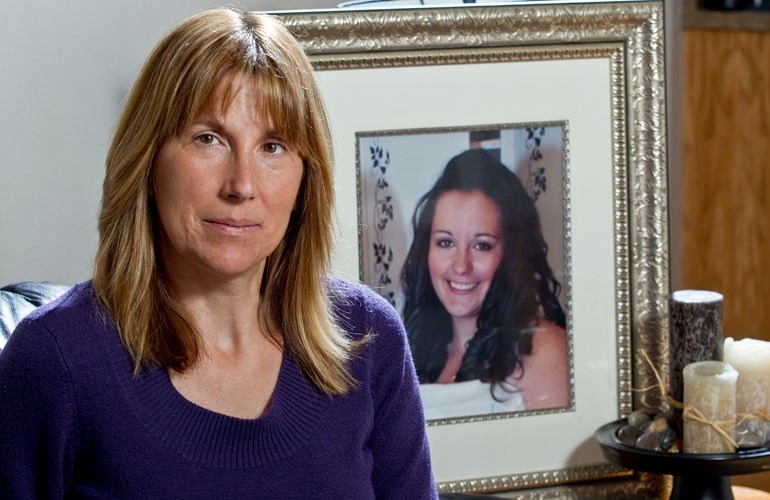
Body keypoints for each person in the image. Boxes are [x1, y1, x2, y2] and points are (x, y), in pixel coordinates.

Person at [0, 9, 436, 499]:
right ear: (147, 161)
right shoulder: (56, 361)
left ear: (304, 179)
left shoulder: (368, 339)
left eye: (273, 146)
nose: (242, 186)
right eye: (208, 139)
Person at [401, 148, 568, 418]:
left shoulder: (544, 350)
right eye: (446, 242)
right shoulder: (411, 352)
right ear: (426, 252)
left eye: (482, 245)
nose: (460, 266)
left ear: (510, 255)